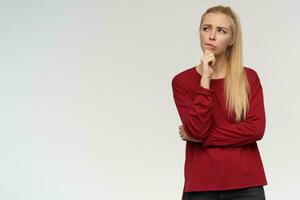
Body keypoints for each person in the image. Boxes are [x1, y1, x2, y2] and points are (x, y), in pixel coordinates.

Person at [171, 5, 268, 200]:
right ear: (199, 32)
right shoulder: (182, 81)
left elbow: (256, 129)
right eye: (206, 28)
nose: (212, 36)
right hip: (201, 185)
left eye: (221, 31)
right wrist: (205, 80)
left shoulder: (249, 78)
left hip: (246, 185)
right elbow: (197, 129)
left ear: (232, 39)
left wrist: (204, 139)